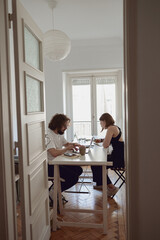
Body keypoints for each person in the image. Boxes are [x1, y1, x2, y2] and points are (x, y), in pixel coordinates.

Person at [47, 114, 83, 203]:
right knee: (73, 177)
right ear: (58, 124)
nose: (66, 128)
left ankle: (56, 190)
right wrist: (67, 148)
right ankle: (53, 192)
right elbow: (54, 153)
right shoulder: (48, 135)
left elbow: (66, 144)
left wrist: (73, 144)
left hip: (57, 162)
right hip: (50, 165)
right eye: (65, 126)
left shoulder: (58, 133)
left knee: (78, 170)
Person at [91, 113, 124, 197]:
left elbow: (105, 145)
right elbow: (112, 140)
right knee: (95, 163)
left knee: (96, 164)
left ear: (104, 121)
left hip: (117, 159)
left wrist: (103, 141)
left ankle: (112, 187)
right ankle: (100, 184)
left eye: (101, 122)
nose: (100, 124)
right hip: (119, 156)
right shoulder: (115, 127)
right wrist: (101, 140)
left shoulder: (111, 128)